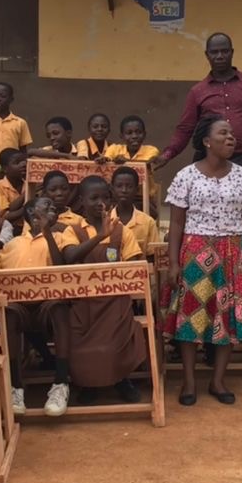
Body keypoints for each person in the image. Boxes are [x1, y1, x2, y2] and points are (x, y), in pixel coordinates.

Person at [163, 114, 242, 406]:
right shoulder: (186, 176)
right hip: (195, 253)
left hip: (233, 252)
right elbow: (176, 224)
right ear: (207, 141)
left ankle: (218, 381)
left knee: (228, 317)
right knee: (190, 318)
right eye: (223, 133)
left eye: (232, 133)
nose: (231, 138)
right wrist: (173, 263)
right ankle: (189, 381)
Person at [44, 176, 149, 415]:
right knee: (80, 343)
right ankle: (88, 383)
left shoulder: (121, 231)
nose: (100, 203)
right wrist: (100, 235)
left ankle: (121, 380)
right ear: (81, 201)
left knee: (118, 336)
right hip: (83, 302)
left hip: (115, 301)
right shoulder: (72, 230)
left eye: (105, 197)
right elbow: (70, 257)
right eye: (93, 198)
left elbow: (134, 265)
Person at [153, 32, 242, 184]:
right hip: (207, 161)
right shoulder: (198, 91)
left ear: (232, 52)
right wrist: (167, 155)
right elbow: (185, 128)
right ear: (207, 55)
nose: (220, 56)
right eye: (214, 52)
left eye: (224, 51)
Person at [0, 196, 73, 417]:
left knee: (59, 308)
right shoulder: (13, 244)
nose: (52, 208)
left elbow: (61, 267)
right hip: (20, 305)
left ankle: (61, 383)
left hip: (48, 304)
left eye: (54, 207)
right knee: (8, 312)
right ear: (31, 212)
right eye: (46, 206)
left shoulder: (60, 237)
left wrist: (47, 232)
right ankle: (15, 386)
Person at [105, 115, 162, 218]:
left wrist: (126, 162)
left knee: (144, 215)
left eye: (138, 132)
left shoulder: (151, 150)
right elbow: (107, 160)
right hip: (117, 197)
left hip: (142, 198)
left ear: (144, 134)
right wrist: (104, 160)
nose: (134, 136)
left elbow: (147, 163)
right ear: (121, 136)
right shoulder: (114, 149)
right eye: (129, 133)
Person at [110, 166, 158, 255]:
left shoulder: (148, 222)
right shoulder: (105, 221)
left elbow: (153, 255)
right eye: (119, 186)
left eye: (129, 186)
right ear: (112, 189)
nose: (124, 190)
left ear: (137, 190)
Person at [0, 149, 29, 230]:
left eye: (24, 161)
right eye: (17, 163)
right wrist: (27, 194)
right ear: (5, 169)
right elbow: (5, 215)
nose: (23, 165)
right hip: (7, 229)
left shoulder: (29, 183)